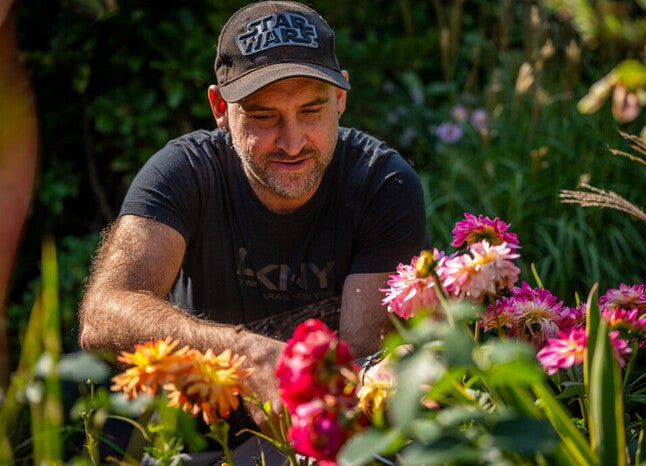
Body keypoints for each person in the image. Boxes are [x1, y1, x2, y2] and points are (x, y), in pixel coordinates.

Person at [78, 0, 428, 449]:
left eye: (311, 111)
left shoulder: (383, 184)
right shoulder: (182, 173)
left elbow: (360, 371)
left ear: (341, 98)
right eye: (263, 116)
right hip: (196, 438)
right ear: (220, 107)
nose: (292, 141)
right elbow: (102, 312)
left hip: (330, 441)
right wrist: (247, 353)